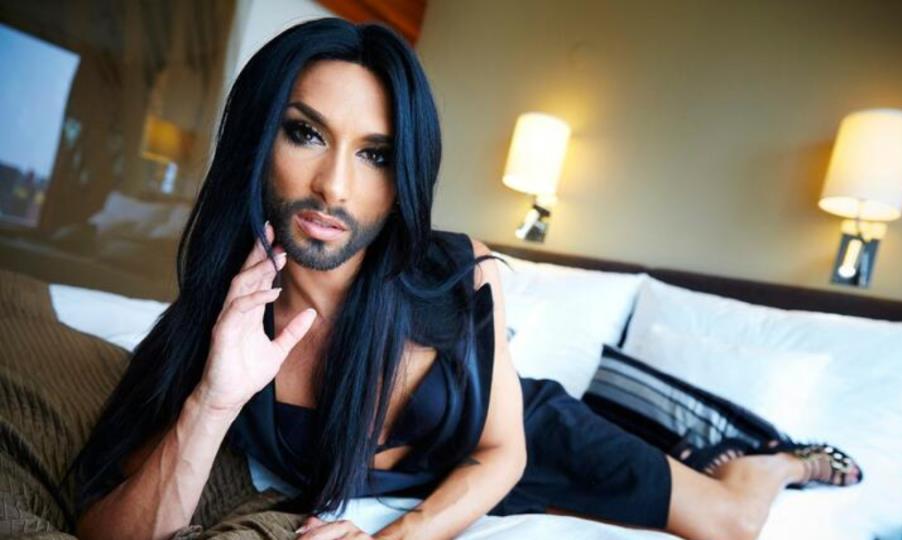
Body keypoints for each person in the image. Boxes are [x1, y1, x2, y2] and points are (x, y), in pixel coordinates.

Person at [66, 18, 861, 540]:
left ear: (405, 175)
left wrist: (401, 534)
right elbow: (111, 528)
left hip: (528, 440)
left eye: (375, 154)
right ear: (256, 142)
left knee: (730, 523)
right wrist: (213, 402)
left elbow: (504, 451)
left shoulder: (459, 274)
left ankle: (775, 462)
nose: (334, 187)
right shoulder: (218, 327)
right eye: (305, 134)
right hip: (447, 475)